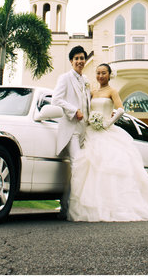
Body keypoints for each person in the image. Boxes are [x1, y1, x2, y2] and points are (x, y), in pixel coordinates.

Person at [65, 62, 148, 222]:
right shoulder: (92, 92)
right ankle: (93, 205)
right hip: (92, 132)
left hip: (106, 131)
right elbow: (86, 109)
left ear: (109, 74)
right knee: (90, 167)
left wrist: (107, 122)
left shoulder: (112, 91)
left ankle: (115, 206)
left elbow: (120, 109)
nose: (100, 76)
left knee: (110, 166)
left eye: (103, 73)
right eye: (98, 73)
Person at [52, 45, 91, 218]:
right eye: (76, 59)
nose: (80, 61)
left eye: (82, 58)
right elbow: (56, 99)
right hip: (71, 130)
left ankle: (67, 204)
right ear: (71, 61)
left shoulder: (87, 80)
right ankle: (73, 209)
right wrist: (74, 110)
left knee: (84, 167)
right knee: (78, 165)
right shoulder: (65, 78)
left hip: (85, 131)